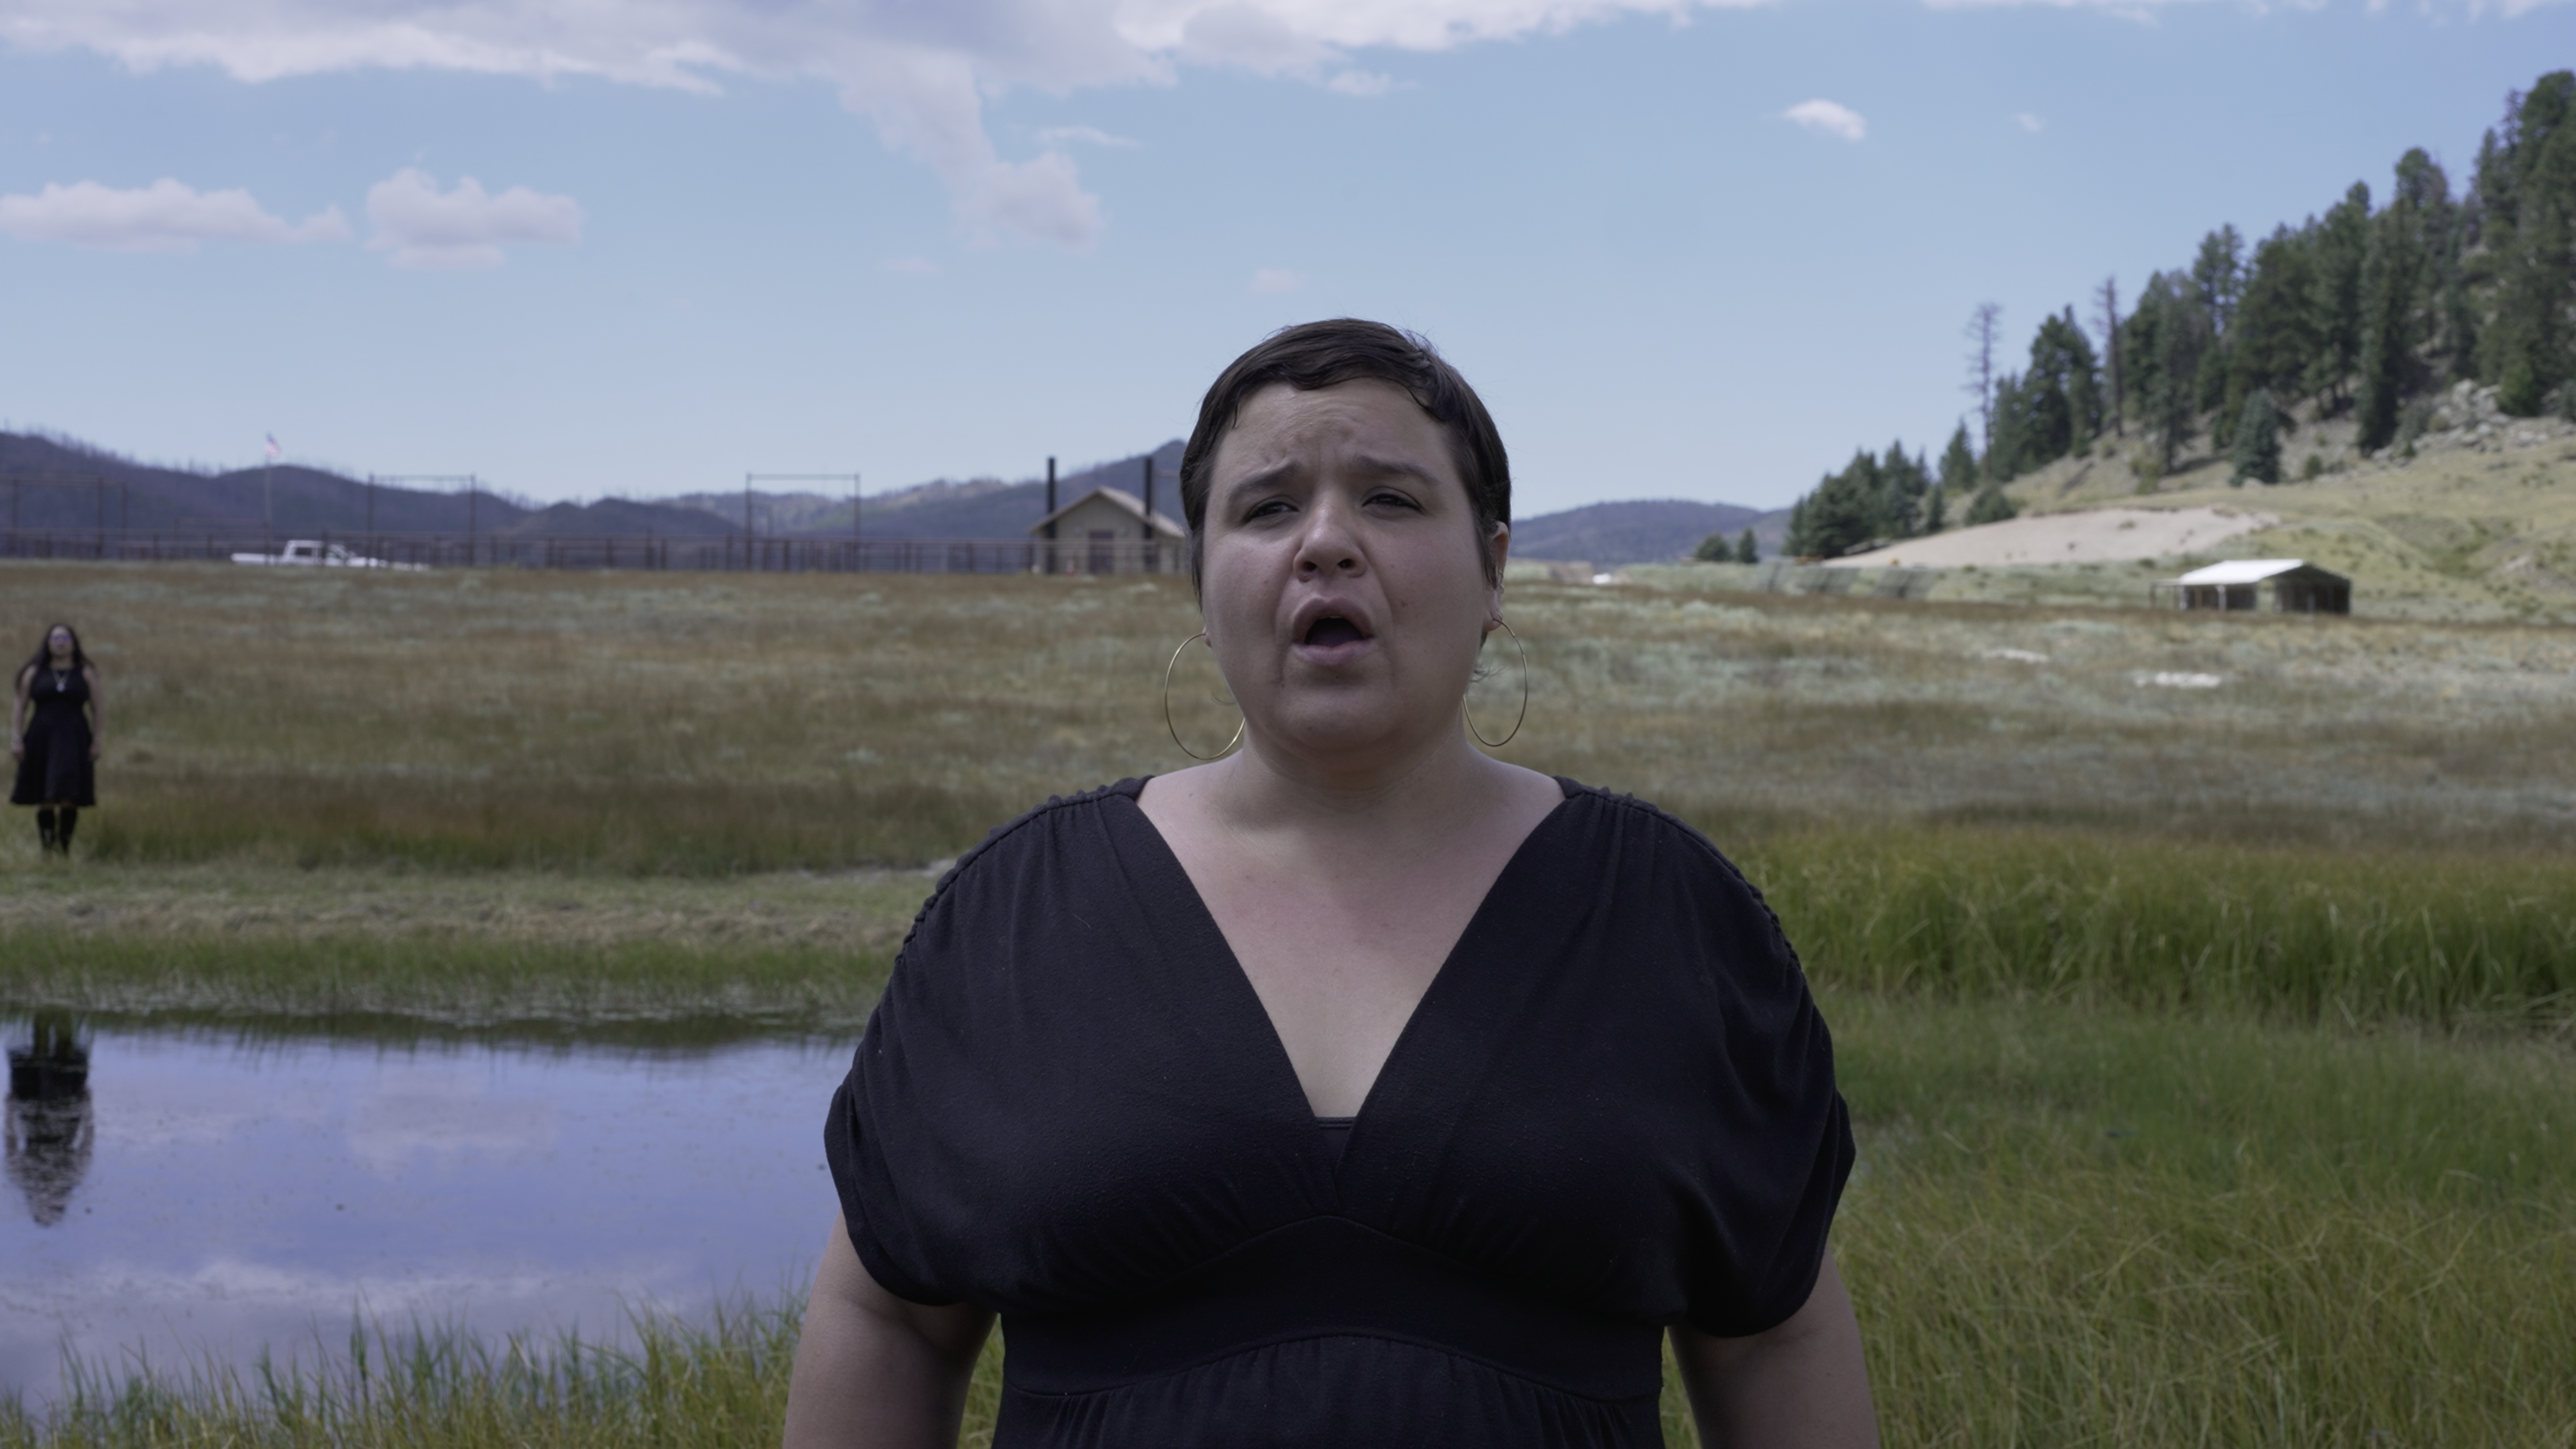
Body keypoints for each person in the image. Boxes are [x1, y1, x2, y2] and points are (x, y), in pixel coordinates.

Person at [785, 320, 1873, 1449]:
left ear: (1494, 568)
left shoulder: (1667, 920)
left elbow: (1772, 1335)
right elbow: (893, 1318)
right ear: (1201, 588)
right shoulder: (1017, 921)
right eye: (1265, 509)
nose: (1325, 543)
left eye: (1392, 501)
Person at [10, 623, 102, 857]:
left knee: (70, 794)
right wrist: (16, 739)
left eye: (65, 638)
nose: (60, 643)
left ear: (73, 643)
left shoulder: (85, 672)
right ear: (48, 643)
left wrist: (97, 740)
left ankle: (64, 849)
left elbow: (98, 708)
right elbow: (20, 706)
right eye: (55, 638)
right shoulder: (34, 672)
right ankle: (47, 850)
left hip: (75, 738)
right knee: (46, 794)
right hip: (41, 738)